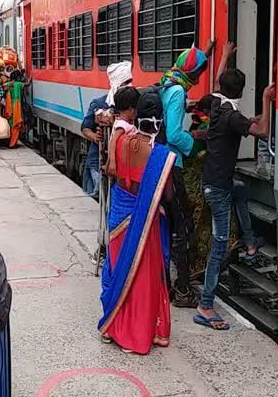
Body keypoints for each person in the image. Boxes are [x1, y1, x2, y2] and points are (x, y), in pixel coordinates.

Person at [196, 53, 275, 331]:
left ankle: (251, 241)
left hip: (215, 181)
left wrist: (225, 54)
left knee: (240, 191)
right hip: (217, 188)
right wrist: (266, 98)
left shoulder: (218, 104)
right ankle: (205, 305)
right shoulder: (232, 116)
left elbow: (220, 81)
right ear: (241, 91)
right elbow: (263, 131)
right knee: (219, 246)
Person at [99, 92, 174, 354]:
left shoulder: (120, 140)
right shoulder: (158, 154)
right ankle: (135, 334)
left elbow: (115, 172)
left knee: (117, 269)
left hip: (118, 215)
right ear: (159, 121)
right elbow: (168, 195)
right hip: (143, 222)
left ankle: (112, 326)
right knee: (141, 278)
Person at [159, 41, 214, 308]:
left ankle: (167, 283)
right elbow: (173, 134)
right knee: (182, 226)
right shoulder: (178, 91)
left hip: (161, 161)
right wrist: (194, 140)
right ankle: (182, 290)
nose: (201, 77)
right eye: (201, 73)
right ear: (194, 73)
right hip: (174, 163)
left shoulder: (168, 82)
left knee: (170, 226)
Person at [81, 61, 133, 199]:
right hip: (99, 160)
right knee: (101, 197)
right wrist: (95, 136)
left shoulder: (133, 104)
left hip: (122, 165)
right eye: (125, 82)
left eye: (130, 81)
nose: (129, 85)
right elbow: (85, 128)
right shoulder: (99, 104)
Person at [105, 86, 139, 177]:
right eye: (136, 109)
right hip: (120, 166)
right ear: (131, 109)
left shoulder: (121, 122)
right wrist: (112, 162)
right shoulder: (122, 125)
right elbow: (113, 141)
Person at [4, 70, 26, 148]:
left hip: (9, 107)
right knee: (16, 126)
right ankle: (12, 143)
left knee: (11, 125)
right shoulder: (19, 84)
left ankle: (10, 142)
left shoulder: (9, 84)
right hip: (16, 106)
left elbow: (4, 86)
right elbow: (26, 84)